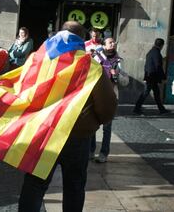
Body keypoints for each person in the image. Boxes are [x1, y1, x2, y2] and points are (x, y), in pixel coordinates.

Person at [18, 21, 117, 212]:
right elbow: (107, 109)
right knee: (74, 186)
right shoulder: (90, 65)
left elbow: (23, 90)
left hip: (42, 132)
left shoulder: (36, 59)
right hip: (77, 136)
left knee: (35, 184)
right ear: (81, 39)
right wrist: (93, 122)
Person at [90, 37, 122, 163]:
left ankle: (104, 153)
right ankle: (91, 151)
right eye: (110, 42)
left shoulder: (118, 60)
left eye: (114, 42)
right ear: (103, 45)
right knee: (92, 124)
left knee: (107, 128)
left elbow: (125, 82)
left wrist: (117, 75)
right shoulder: (97, 58)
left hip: (110, 97)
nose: (113, 44)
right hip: (96, 95)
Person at [133, 38, 170, 115]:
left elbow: (147, 66)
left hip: (150, 77)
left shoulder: (150, 52)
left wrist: (145, 77)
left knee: (156, 93)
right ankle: (136, 108)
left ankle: (161, 109)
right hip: (152, 77)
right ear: (162, 45)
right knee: (145, 93)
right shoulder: (156, 53)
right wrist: (163, 77)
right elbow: (158, 66)